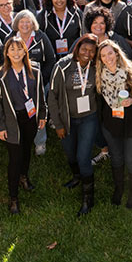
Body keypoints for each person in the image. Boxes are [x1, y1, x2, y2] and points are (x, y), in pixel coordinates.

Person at [48, 34, 100, 215]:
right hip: (68, 119)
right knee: (71, 155)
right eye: (84, 49)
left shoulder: (96, 67)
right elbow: (52, 97)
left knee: (83, 157)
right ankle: (77, 176)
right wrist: (58, 123)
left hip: (89, 118)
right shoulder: (62, 66)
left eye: (92, 51)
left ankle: (88, 199)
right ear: (77, 48)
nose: (88, 53)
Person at [95, 39, 132, 208]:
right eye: (103, 55)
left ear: (117, 53)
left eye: (110, 53)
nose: (107, 57)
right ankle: (119, 188)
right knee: (117, 158)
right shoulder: (99, 75)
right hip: (111, 125)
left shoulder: (130, 70)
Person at [0, 36, 46, 214]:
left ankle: (24, 177)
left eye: (19, 49)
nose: (16, 53)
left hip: (30, 118)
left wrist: (42, 114)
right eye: (12, 50)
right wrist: (0, 126)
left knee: (26, 151)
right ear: (6, 53)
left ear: (25, 50)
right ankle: (13, 197)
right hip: (12, 121)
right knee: (15, 158)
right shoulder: (0, 75)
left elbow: (40, 94)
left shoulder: (35, 70)